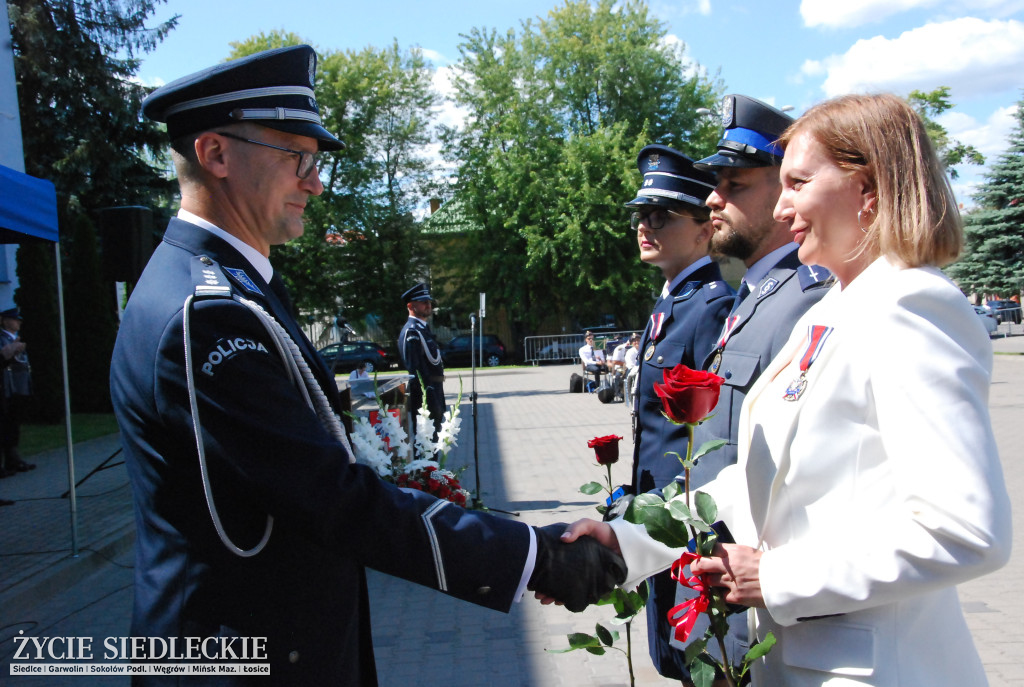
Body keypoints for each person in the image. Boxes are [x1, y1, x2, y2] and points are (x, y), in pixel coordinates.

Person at [112, 45, 625, 685]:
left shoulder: (228, 288)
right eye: (296, 156)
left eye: (316, 161)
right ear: (215, 153)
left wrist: (531, 546)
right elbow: (332, 499)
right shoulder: (208, 312)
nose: (315, 182)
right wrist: (536, 559)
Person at [562, 93, 1012, 686]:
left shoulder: (911, 306)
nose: (783, 203)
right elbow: (756, 482)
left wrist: (776, 579)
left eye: (798, 181)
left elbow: (966, 532)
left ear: (868, 189)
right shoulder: (829, 310)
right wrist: (627, 542)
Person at [643, 96, 832, 681]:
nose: (711, 198)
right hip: (722, 580)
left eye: (734, 184)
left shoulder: (809, 299)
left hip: (766, 598)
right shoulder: (757, 297)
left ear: (785, 196)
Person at [398, 282, 445, 434]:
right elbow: (416, 371)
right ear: (411, 306)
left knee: (434, 447)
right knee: (426, 448)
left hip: (435, 392)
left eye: (429, 302)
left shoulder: (422, 329)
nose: (428, 305)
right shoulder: (412, 333)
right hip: (425, 398)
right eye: (423, 302)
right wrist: (430, 400)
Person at [0, 307, 34, 477]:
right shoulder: (3, 339)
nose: (18, 322)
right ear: (5, 321)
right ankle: (10, 459)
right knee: (7, 424)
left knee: (14, 423)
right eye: (15, 319)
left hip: (18, 386)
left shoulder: (15, 339)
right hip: (8, 386)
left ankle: (13, 458)